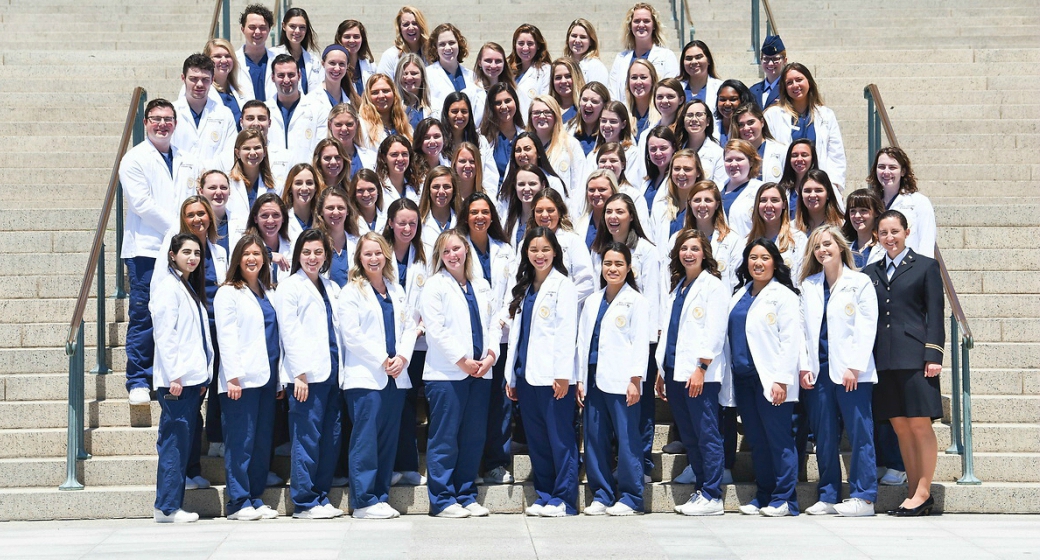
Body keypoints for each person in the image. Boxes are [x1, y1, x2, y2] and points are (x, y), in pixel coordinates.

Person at [120, 98, 203, 405]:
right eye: (156, 119)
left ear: (175, 123)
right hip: (146, 248)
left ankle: (172, 373)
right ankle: (139, 379)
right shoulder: (134, 159)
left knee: (179, 314)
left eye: (168, 119)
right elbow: (142, 205)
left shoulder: (186, 158)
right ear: (145, 123)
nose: (162, 124)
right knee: (144, 314)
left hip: (182, 250)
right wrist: (181, 228)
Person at [865, 210, 945, 517]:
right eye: (883, 233)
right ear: (877, 236)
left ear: (906, 232)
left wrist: (934, 355)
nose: (889, 238)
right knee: (900, 426)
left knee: (919, 424)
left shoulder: (925, 266)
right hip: (883, 358)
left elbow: (935, 314)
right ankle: (913, 491)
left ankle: (924, 492)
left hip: (915, 357)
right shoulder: (870, 272)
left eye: (894, 231)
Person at [797, 225, 879, 517]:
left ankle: (864, 497)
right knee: (825, 436)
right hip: (819, 373)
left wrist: (854, 366)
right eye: (817, 246)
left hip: (852, 373)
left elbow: (867, 327)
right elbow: (803, 330)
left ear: (841, 247)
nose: (822, 250)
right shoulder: (809, 285)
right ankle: (829, 495)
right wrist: (805, 366)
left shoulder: (860, 282)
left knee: (860, 433)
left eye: (828, 244)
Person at [420, 230, 502, 518]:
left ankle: (466, 495)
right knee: (445, 437)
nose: (452, 255)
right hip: (447, 376)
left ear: (466, 250)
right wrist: (462, 361)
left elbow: (494, 324)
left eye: (456, 249)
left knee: (473, 437)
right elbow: (436, 329)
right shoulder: (434, 286)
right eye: (446, 252)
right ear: (439, 257)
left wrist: (491, 356)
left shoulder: (481, 285)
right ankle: (442, 499)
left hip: (480, 372)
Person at [337, 232, 417, 519]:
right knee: (366, 440)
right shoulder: (350, 292)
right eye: (367, 253)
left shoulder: (396, 290)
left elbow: (410, 327)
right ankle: (363, 501)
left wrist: (403, 358)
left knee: (387, 440)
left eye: (378, 253)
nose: (373, 258)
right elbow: (352, 335)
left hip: (395, 375)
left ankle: (380, 496)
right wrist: (384, 359)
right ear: (359, 257)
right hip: (366, 378)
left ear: (387, 255)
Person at [504, 227, 580, 517]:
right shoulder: (524, 287)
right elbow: (517, 337)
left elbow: (565, 333)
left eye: (545, 249)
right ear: (526, 253)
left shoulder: (564, 286)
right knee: (537, 440)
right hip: (527, 377)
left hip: (554, 379)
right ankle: (545, 494)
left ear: (555, 252)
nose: (540, 255)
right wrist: (512, 375)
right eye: (534, 250)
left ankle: (565, 499)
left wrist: (562, 375)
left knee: (560, 439)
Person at [726, 238, 802, 517]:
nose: (758, 263)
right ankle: (765, 495)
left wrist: (781, 379)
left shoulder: (784, 296)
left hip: (769, 379)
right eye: (753, 258)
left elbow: (790, 341)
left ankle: (785, 499)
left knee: (778, 439)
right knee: (757, 440)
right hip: (743, 380)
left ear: (775, 263)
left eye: (765, 258)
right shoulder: (739, 293)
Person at [657, 229, 728, 516]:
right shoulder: (678, 287)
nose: (688, 253)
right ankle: (702, 490)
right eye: (684, 248)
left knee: (706, 433)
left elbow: (715, 332)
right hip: (675, 372)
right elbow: (670, 332)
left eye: (694, 248)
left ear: (704, 254)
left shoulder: (713, 287)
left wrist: (701, 367)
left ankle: (713, 494)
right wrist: (662, 370)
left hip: (699, 375)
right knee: (690, 435)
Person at [276, 228, 345, 519]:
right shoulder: (289, 287)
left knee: (331, 437)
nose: (312, 258)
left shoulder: (331, 287)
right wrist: (299, 374)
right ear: (297, 255)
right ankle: (304, 501)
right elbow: (289, 332)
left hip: (332, 373)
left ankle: (320, 494)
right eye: (306, 252)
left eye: (318, 252)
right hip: (307, 378)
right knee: (306, 438)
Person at [589, 192, 660, 478]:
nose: (613, 217)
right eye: (609, 212)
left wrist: (649, 340)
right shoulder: (600, 248)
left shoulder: (646, 250)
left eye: (620, 211)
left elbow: (652, 296)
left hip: (639, 336)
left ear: (631, 215)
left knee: (637, 411)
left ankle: (639, 464)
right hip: (608, 336)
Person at [578, 242, 650, 516]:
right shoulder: (593, 300)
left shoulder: (637, 301)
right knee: (595, 437)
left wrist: (635, 379)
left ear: (629, 268)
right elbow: (583, 342)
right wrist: (580, 379)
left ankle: (632, 497)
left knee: (627, 438)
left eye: (619, 264)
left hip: (623, 381)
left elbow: (640, 343)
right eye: (608, 263)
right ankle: (602, 494)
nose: (613, 268)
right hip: (594, 378)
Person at [213, 234, 281, 521]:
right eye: (246, 254)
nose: (252, 258)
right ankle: (237, 502)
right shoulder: (228, 292)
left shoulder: (267, 290)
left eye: (257, 253)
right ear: (237, 259)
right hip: (240, 380)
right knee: (241, 442)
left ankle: (255, 497)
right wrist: (233, 376)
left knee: (261, 442)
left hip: (266, 378)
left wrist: (278, 381)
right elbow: (226, 336)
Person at [151, 233, 213, 523]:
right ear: (172, 254)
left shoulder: (185, 286)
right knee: (174, 443)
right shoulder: (167, 288)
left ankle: (171, 504)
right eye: (186, 252)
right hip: (177, 382)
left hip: (191, 380)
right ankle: (166, 508)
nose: (192, 257)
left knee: (182, 441)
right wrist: (175, 373)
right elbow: (165, 334)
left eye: (197, 253)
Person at [455, 193, 516, 484]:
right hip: (470, 337)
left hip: (500, 335)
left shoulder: (505, 249)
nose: (480, 216)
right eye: (474, 211)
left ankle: (496, 463)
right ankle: (471, 464)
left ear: (492, 216)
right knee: (471, 406)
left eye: (485, 211)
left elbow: (514, 288)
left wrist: (502, 316)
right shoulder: (457, 248)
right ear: (466, 217)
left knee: (500, 404)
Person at [381, 198, 430, 487]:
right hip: (385, 343)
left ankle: (409, 465)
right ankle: (388, 466)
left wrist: (422, 326)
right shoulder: (379, 253)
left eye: (413, 223)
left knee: (408, 405)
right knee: (389, 408)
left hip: (415, 343)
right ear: (390, 223)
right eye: (402, 222)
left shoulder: (424, 256)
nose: (407, 228)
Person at [764, 63, 846, 190]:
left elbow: (836, 153)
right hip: (786, 186)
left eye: (799, 80)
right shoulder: (772, 115)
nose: (795, 85)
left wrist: (834, 186)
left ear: (809, 81)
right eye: (789, 82)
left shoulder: (826, 115)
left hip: (818, 187)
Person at [527, 188, 596, 305]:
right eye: (539, 210)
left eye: (550, 210)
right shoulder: (525, 243)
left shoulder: (573, 241)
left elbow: (586, 282)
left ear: (559, 212)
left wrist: (560, 302)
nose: (544, 215)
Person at [172, 53, 237, 173]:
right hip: (179, 180)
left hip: (214, 182)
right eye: (193, 79)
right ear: (183, 78)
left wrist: (205, 172)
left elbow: (229, 153)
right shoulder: (171, 112)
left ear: (212, 80)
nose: (199, 84)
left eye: (205, 79)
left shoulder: (224, 114)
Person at [868, 146, 936, 258]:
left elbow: (926, 241)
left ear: (903, 171)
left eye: (892, 167)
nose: (886, 172)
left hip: (908, 268)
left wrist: (922, 271)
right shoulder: (871, 201)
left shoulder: (919, 202)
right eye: (881, 167)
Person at [608, 2, 679, 102]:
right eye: (637, 21)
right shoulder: (620, 58)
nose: (641, 25)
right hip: (625, 114)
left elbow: (671, 92)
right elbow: (613, 94)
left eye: (646, 21)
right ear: (630, 25)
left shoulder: (667, 56)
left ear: (654, 25)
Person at [528, 95, 586, 211]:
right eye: (537, 113)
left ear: (556, 115)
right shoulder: (524, 145)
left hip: (563, 213)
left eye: (547, 112)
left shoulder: (571, 145)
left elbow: (580, 185)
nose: (542, 116)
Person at [266, 54, 322, 167]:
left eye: (291, 75)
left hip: (306, 177)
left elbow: (321, 149)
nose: (286, 80)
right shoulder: (263, 111)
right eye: (281, 75)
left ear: (299, 76)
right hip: (272, 177)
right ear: (273, 78)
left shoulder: (318, 109)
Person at [425, 24, 481, 123]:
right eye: (442, 44)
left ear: (459, 44)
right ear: (435, 48)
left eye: (452, 43)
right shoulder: (427, 75)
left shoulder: (471, 76)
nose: (447, 48)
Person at [748, 182, 808, 274]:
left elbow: (803, 278)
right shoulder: (748, 242)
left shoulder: (798, 239)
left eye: (774, 200)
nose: (768, 205)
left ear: (784, 204)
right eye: (763, 200)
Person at [650, 149, 703, 253]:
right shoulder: (660, 206)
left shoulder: (704, 206)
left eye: (687, 169)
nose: (681, 173)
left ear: (698, 172)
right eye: (677, 169)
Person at [441, 93, 497, 185]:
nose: (459, 116)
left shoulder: (481, 142)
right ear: (446, 114)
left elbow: (490, 177)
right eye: (454, 111)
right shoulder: (439, 143)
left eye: (464, 111)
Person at [591, 144, 652, 227]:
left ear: (623, 164)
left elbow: (643, 228)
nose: (607, 165)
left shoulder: (634, 196)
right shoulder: (592, 194)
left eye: (613, 161)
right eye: (603, 161)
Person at [227, 128, 277, 221]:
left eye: (257, 148)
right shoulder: (227, 184)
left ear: (265, 151)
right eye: (246, 148)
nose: (253, 153)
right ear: (237, 153)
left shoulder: (276, 186)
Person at [315, 187, 360, 288]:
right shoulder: (313, 244)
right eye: (330, 208)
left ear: (347, 211)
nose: (336, 212)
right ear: (321, 211)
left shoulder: (358, 243)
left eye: (340, 208)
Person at [479, 83, 526, 182]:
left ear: (515, 102)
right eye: (498, 103)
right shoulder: (482, 138)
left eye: (508, 101)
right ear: (491, 107)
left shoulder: (525, 136)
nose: (504, 106)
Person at [732, 103, 787, 184]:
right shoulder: (733, 153)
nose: (746, 128)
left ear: (762, 122)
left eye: (751, 122)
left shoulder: (781, 151)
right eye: (741, 125)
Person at [675, 100, 727, 186]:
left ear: (708, 121)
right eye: (689, 115)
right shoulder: (676, 149)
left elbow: (719, 187)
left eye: (699, 115)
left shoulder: (718, 154)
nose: (694, 119)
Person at [273, 8, 323, 96]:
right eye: (292, 26)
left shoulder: (313, 60)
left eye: (302, 27)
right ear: (284, 26)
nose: (297, 31)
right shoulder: (272, 55)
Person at [202, 38, 251, 128]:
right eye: (217, 56)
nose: (224, 60)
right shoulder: (200, 90)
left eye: (228, 56)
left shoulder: (241, 90)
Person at [591, 101, 641, 186]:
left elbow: (632, 183)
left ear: (623, 124)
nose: (606, 125)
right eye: (603, 121)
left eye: (613, 121)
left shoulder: (632, 153)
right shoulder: (593, 155)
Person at [245, 192, 292, 284]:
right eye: (264, 215)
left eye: (276, 215)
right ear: (255, 219)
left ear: (283, 218)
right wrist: (268, 256)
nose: (270, 220)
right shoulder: (245, 245)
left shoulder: (292, 246)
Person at [720, 139, 763, 238]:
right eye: (729, 160)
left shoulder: (760, 191)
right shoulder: (716, 189)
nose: (733, 164)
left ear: (751, 162)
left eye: (739, 159)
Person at [358, 74, 413, 150]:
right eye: (375, 92)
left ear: (394, 93)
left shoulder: (405, 127)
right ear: (368, 96)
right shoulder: (361, 126)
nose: (381, 96)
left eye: (385, 91)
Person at [508, 24, 552, 118]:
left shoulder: (545, 70)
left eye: (530, 43)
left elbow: (545, 102)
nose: (525, 48)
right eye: (521, 43)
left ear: (538, 46)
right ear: (515, 45)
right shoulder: (509, 70)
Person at [236, 4, 276, 102]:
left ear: (269, 30)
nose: (257, 32)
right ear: (243, 29)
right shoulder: (233, 61)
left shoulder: (278, 60)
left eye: (262, 27)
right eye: (252, 27)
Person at [377, 6, 430, 79]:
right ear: (399, 29)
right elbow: (383, 84)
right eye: (406, 24)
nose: (411, 28)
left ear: (421, 26)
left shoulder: (430, 54)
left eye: (415, 23)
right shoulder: (390, 56)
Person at [309, 45, 357, 124]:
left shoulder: (354, 100)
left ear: (347, 66)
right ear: (323, 64)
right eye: (332, 63)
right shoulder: (311, 100)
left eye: (341, 64)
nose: (337, 68)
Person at [639, 126, 677, 223]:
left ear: (673, 148)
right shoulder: (647, 181)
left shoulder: (678, 179)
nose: (658, 153)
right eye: (653, 149)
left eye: (663, 148)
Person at [326, 103, 377, 175]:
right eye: (338, 124)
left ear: (357, 124)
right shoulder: (322, 158)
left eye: (349, 124)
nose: (344, 129)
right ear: (329, 125)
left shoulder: (372, 157)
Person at [842, 188, 885, 269]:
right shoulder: (843, 246)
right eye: (853, 211)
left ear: (876, 212)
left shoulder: (885, 247)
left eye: (863, 210)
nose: (857, 216)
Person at [418, 166, 458, 252]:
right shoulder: (417, 222)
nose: (441, 192)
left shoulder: (462, 221)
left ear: (454, 190)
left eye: (447, 186)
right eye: (436, 187)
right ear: (428, 190)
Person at [375, 134, 421, 210]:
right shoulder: (376, 187)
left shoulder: (417, 185)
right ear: (384, 158)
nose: (400, 159)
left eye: (404, 154)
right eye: (394, 154)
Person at [794, 169, 844, 234]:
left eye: (818, 190)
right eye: (807, 191)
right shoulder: (792, 229)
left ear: (828, 194)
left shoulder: (842, 226)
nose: (812, 195)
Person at [776, 139, 818, 215]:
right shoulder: (781, 190)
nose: (799, 159)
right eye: (794, 155)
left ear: (813, 158)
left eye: (804, 155)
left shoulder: (825, 186)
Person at [336, 19, 376, 97]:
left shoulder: (370, 65)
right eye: (347, 37)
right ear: (340, 39)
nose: (352, 40)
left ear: (362, 39)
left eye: (356, 37)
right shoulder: (334, 67)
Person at [563, 19, 609, 86]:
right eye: (574, 36)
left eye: (583, 37)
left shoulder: (596, 66)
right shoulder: (562, 64)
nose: (577, 40)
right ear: (568, 39)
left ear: (591, 42)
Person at [281, 163, 319, 244]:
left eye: (309, 183)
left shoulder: (322, 220)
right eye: (298, 183)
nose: (304, 188)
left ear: (316, 188)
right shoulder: (281, 221)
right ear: (290, 188)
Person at [678, 40, 722, 108]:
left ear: (709, 60)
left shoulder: (720, 87)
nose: (693, 62)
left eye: (698, 57)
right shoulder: (676, 88)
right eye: (689, 58)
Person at [571, 81, 609, 156]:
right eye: (584, 100)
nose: (588, 105)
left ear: (604, 105)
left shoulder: (610, 133)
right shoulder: (567, 130)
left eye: (594, 101)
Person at [396, 53, 433, 130]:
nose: (409, 77)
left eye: (414, 73)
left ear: (422, 76)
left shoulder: (434, 105)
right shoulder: (392, 106)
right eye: (404, 73)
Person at [749, 36, 786, 110]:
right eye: (766, 59)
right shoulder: (753, 91)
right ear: (761, 60)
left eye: (775, 59)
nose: (770, 64)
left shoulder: (789, 89)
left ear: (784, 60)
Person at [624, 59, 658, 138]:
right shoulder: (623, 113)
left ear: (653, 80)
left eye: (643, 77)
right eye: (634, 77)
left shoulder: (662, 113)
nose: (638, 82)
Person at [714, 79, 753, 145]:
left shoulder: (749, 129)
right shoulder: (711, 128)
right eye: (722, 99)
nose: (727, 104)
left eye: (733, 99)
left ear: (743, 100)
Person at [412, 117, 450, 183]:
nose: (432, 141)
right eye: (426, 137)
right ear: (419, 140)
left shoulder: (451, 166)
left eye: (436, 136)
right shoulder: (411, 170)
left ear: (444, 138)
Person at [350, 168, 386, 234]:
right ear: (354, 193)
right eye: (360, 190)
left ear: (378, 190)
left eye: (371, 189)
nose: (366, 194)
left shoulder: (387, 217)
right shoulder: (348, 221)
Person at [550, 57, 585, 124]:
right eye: (558, 77)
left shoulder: (585, 109)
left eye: (568, 76)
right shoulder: (547, 109)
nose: (563, 81)